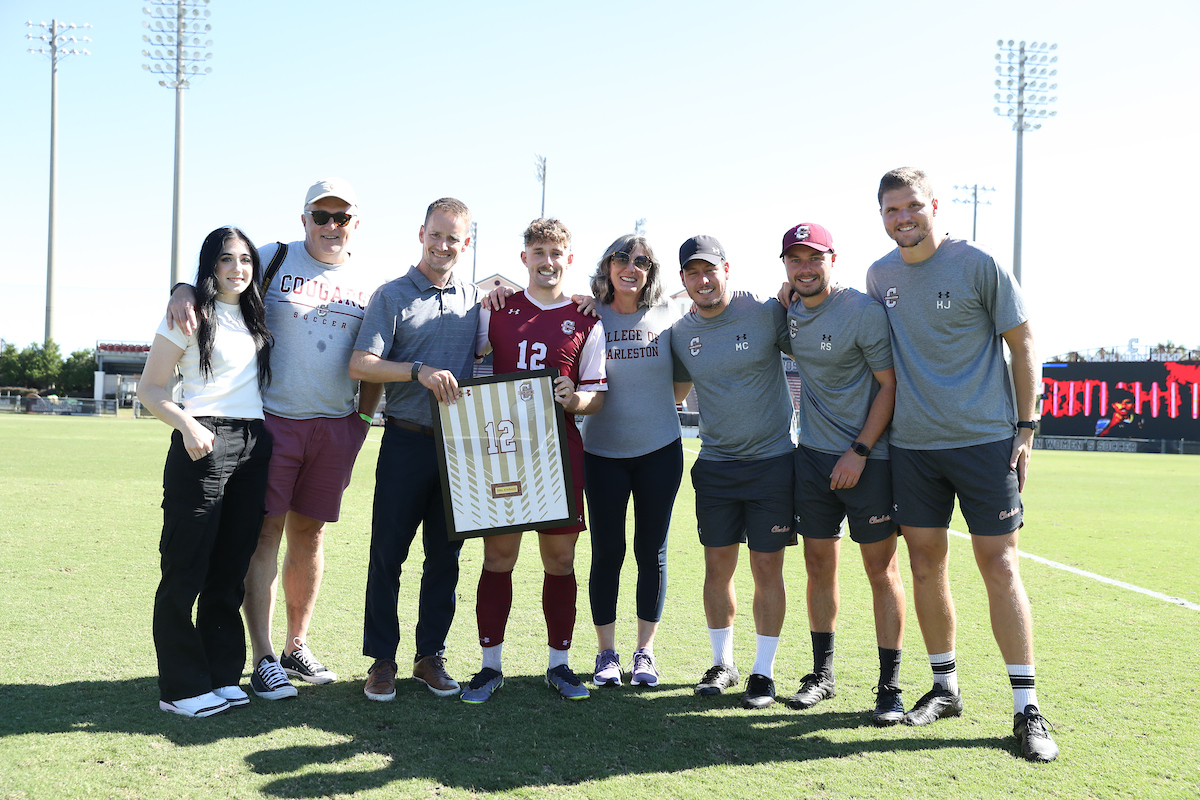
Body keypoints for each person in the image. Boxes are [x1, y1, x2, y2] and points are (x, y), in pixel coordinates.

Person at [866, 167, 1058, 762]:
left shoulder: (979, 264)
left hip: (984, 442)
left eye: (912, 206)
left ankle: (1027, 708)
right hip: (913, 447)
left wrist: (1026, 428)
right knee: (925, 565)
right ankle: (945, 688)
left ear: (934, 206)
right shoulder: (879, 275)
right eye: (891, 209)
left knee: (999, 565)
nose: (903, 217)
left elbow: (1023, 343)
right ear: (881, 215)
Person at [167, 179, 383, 700]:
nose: (331, 226)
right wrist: (181, 289)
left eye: (341, 217)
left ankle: (295, 645)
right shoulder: (271, 257)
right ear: (304, 218)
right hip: (271, 420)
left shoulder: (371, 282)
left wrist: (362, 419)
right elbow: (219, 273)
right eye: (320, 215)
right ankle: (263, 656)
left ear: (356, 223)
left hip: (337, 424)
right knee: (264, 534)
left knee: (311, 534)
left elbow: (377, 355)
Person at [460, 218, 607, 704]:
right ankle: (489, 667)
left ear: (569, 258)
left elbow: (596, 396)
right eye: (539, 252)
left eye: (556, 253)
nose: (548, 261)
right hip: (503, 452)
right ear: (524, 258)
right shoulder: (496, 309)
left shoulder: (587, 319)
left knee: (560, 560)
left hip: (558, 452)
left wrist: (574, 399)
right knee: (498, 558)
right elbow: (470, 354)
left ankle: (559, 665)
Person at [349, 197, 481, 702]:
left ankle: (430, 657)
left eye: (454, 238)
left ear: (465, 243)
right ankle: (382, 661)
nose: (443, 245)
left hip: (458, 449)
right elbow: (361, 363)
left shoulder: (476, 300)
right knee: (388, 554)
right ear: (421, 234)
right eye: (436, 234)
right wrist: (416, 371)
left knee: (445, 559)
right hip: (404, 440)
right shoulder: (392, 295)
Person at [776, 222, 907, 725]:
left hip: (868, 460)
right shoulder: (790, 310)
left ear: (833, 259)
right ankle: (822, 675)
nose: (805, 268)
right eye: (795, 259)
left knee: (881, 571)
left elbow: (889, 386)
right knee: (817, 566)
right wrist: (784, 297)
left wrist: (859, 451)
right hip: (811, 458)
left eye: (815, 258)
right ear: (785, 266)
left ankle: (890, 687)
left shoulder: (862, 311)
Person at [140, 227, 274, 717]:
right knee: (186, 565)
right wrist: (187, 424)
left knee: (230, 567)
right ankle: (181, 689)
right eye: (226, 259)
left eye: (245, 259)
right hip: (203, 440)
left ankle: (221, 676)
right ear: (210, 265)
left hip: (253, 441)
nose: (238, 268)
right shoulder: (189, 313)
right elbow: (150, 388)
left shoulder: (255, 316)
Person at [670, 235, 795, 710]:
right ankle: (723, 663)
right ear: (684, 279)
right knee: (717, 567)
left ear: (727, 269)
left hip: (772, 463)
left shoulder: (765, 312)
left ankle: (763, 672)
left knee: (766, 567)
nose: (703, 280)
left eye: (710, 270)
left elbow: (812, 346)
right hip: (716, 465)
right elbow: (674, 393)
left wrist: (794, 294)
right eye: (693, 272)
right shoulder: (681, 333)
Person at [580, 235, 692, 689]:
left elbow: (680, 386)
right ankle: (606, 653)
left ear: (651, 271)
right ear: (608, 266)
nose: (631, 267)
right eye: (622, 258)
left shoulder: (670, 314)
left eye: (642, 261)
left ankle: (644, 652)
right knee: (608, 552)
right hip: (601, 454)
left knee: (652, 552)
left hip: (659, 452)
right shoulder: (587, 313)